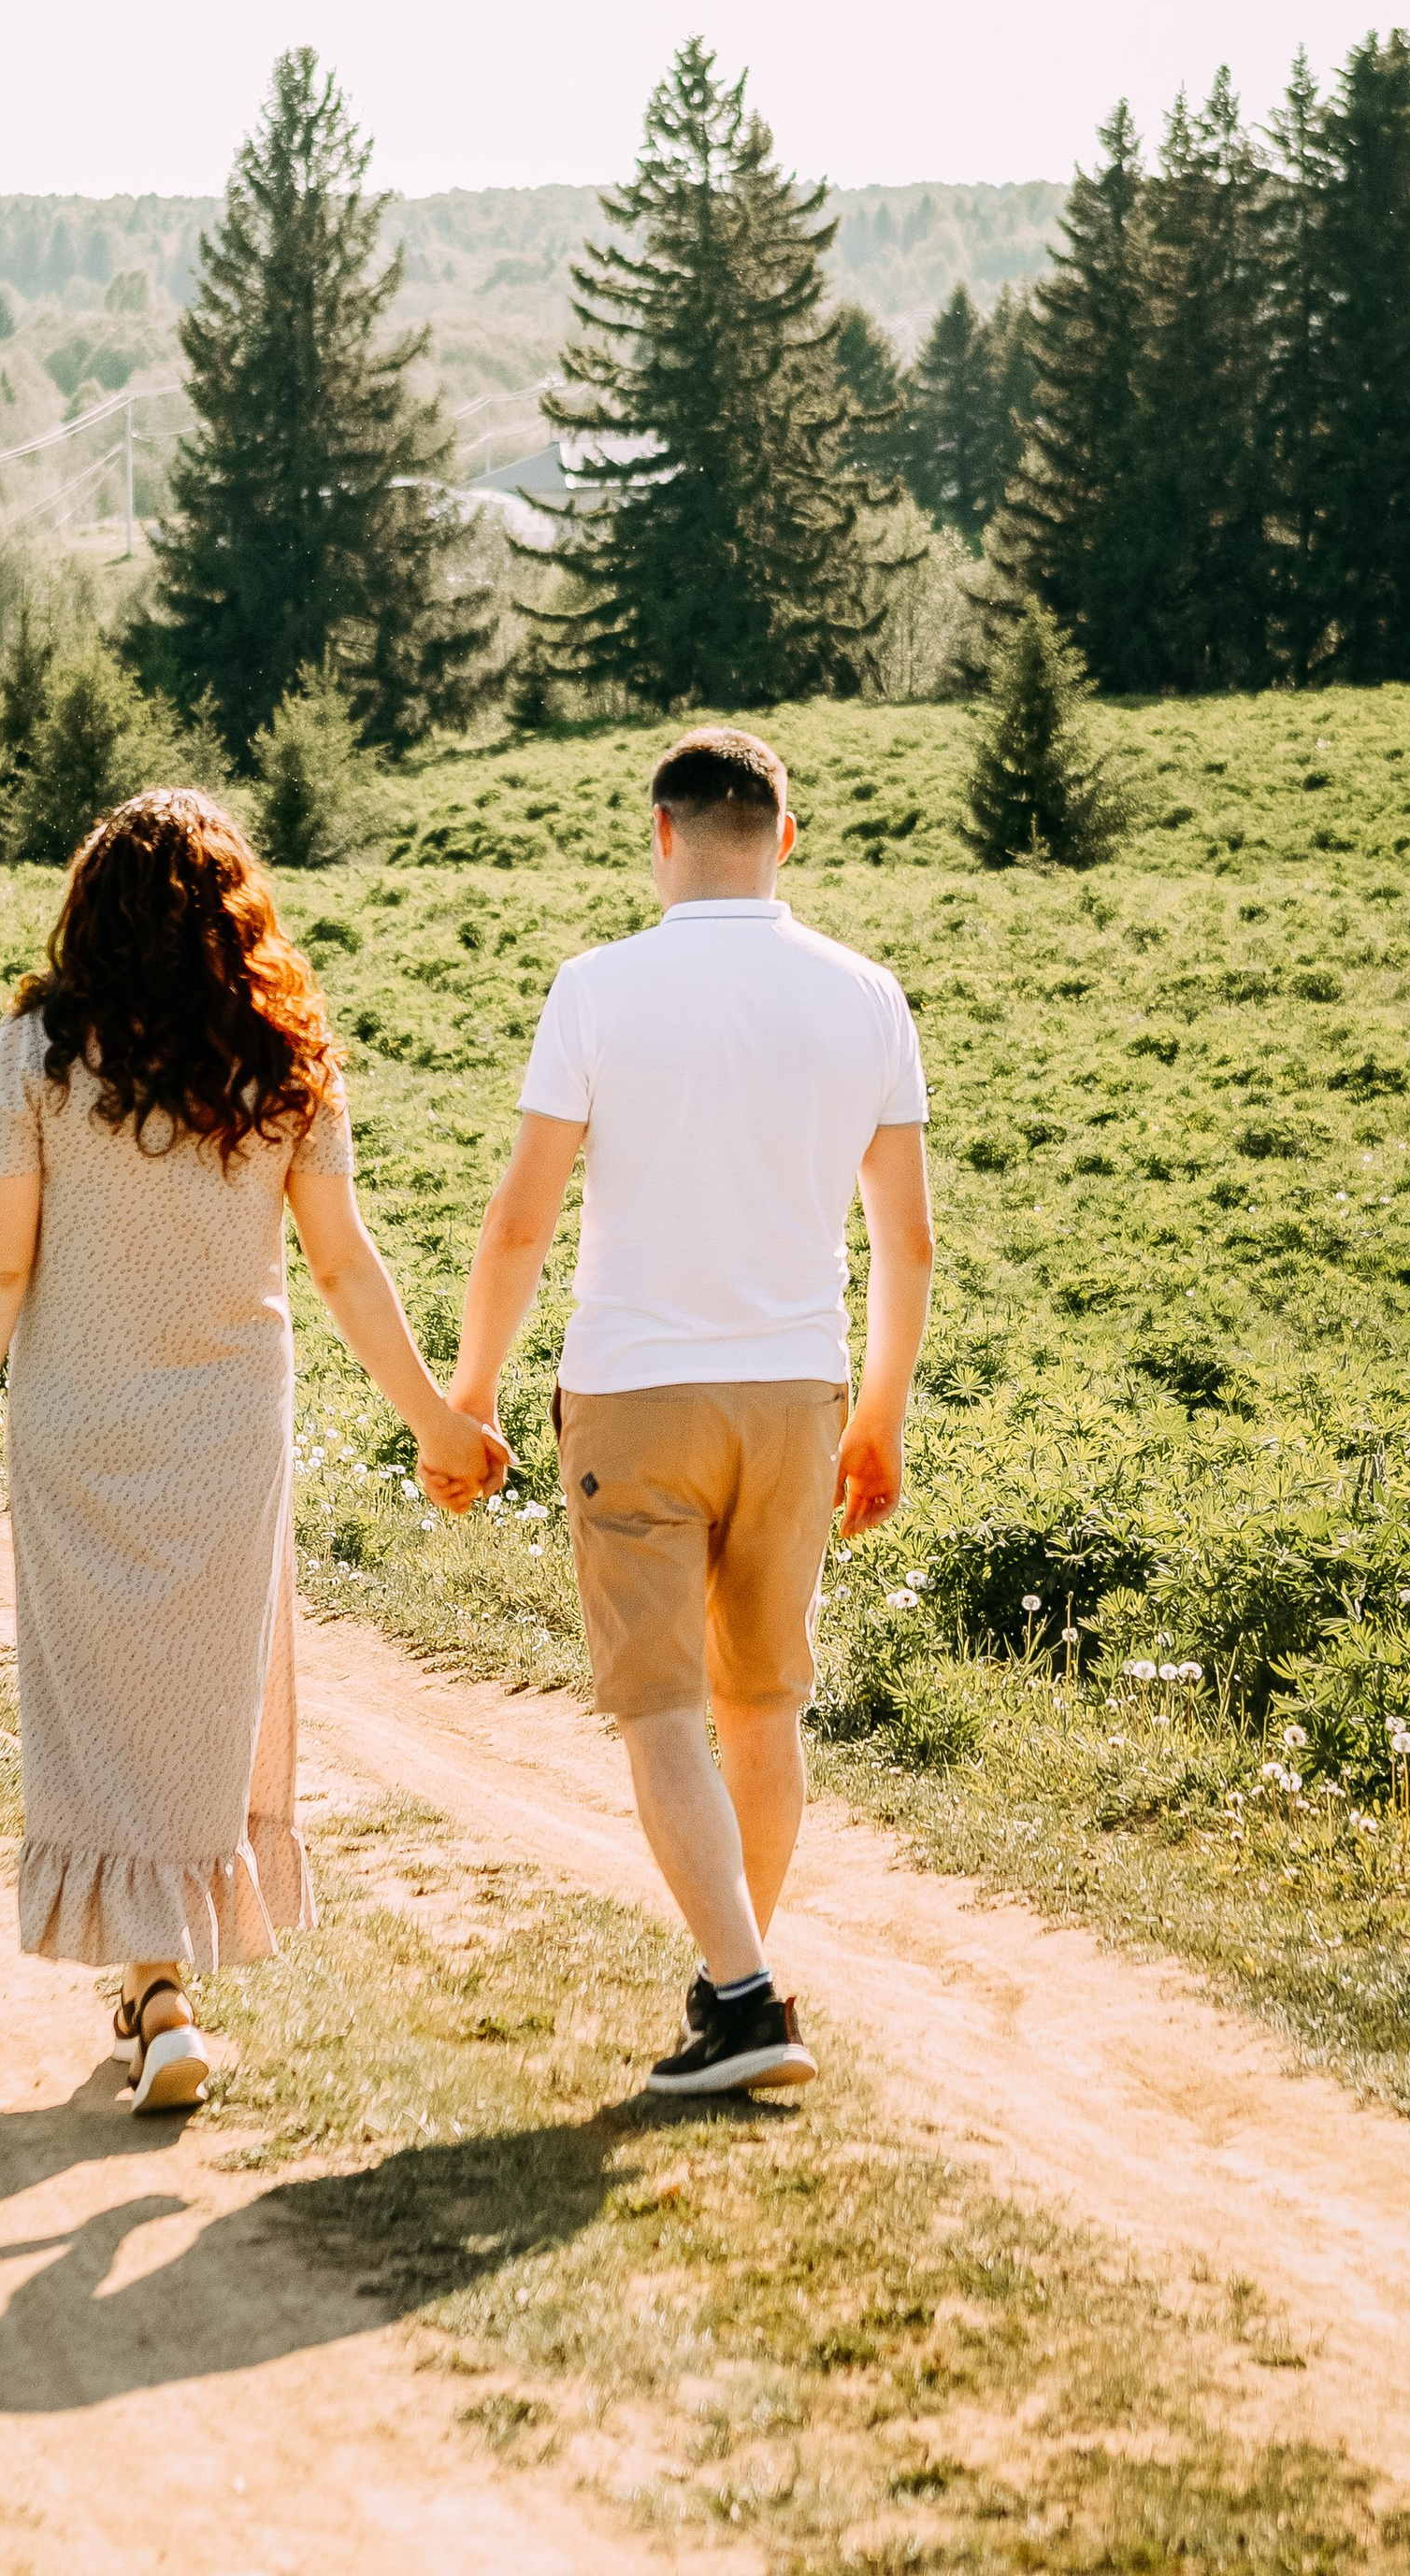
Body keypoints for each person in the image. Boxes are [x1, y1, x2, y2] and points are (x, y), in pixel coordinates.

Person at [0, 787, 507, 2113]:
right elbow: (345, 1267)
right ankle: (162, 1983)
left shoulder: (38, 1048)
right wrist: (436, 1420)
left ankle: (155, 1984)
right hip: (225, 1428)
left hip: (77, 1418)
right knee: (200, 1688)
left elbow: (0, 1259)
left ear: (92, 910)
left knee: (99, 1697)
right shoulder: (287, 1053)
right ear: (238, 917)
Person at [447, 723, 933, 2097]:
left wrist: (471, 1391)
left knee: (659, 1707)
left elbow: (521, 1220)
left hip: (635, 1392)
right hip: (798, 1393)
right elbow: (909, 1243)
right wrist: (880, 1416)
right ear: (785, 837)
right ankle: (745, 1986)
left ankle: (743, 1996)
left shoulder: (596, 989)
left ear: (659, 835)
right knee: (761, 1705)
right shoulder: (866, 994)